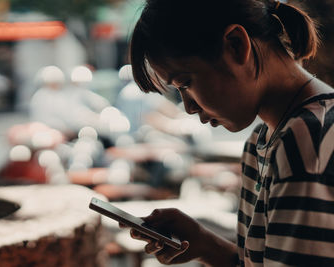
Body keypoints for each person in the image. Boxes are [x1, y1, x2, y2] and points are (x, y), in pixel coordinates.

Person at [122, 0, 334, 266]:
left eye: (185, 83)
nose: (188, 108)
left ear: (236, 45)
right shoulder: (262, 140)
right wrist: (206, 245)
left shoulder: (307, 143)